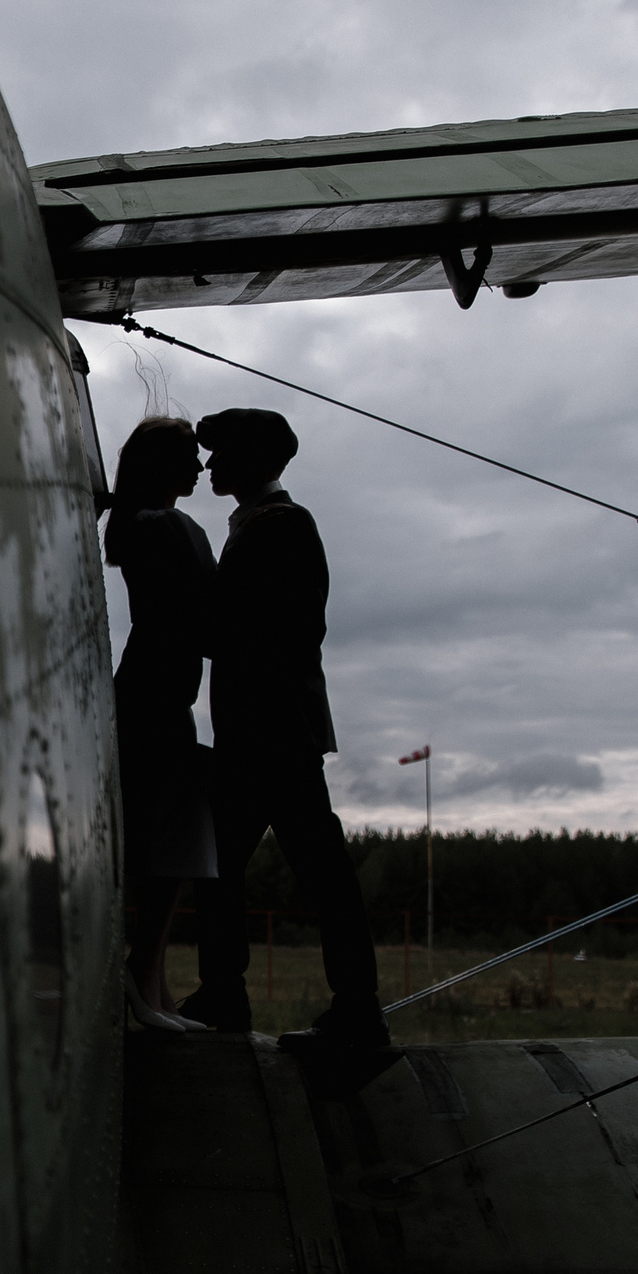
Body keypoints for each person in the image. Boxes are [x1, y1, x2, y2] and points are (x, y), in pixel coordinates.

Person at [176, 409, 390, 1058]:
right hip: (272, 733)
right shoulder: (263, 526)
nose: (211, 467)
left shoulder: (281, 528)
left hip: (269, 735)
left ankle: (341, 1007)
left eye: (223, 456)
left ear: (254, 461)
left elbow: (277, 631)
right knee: (246, 866)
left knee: (284, 869)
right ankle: (243, 994)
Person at [104, 417, 217, 1034]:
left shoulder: (135, 527)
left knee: (166, 834)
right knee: (175, 838)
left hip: (145, 687)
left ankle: (152, 980)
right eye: (188, 458)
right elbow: (211, 615)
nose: (200, 470)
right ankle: (144, 973)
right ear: (161, 468)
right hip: (161, 696)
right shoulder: (175, 526)